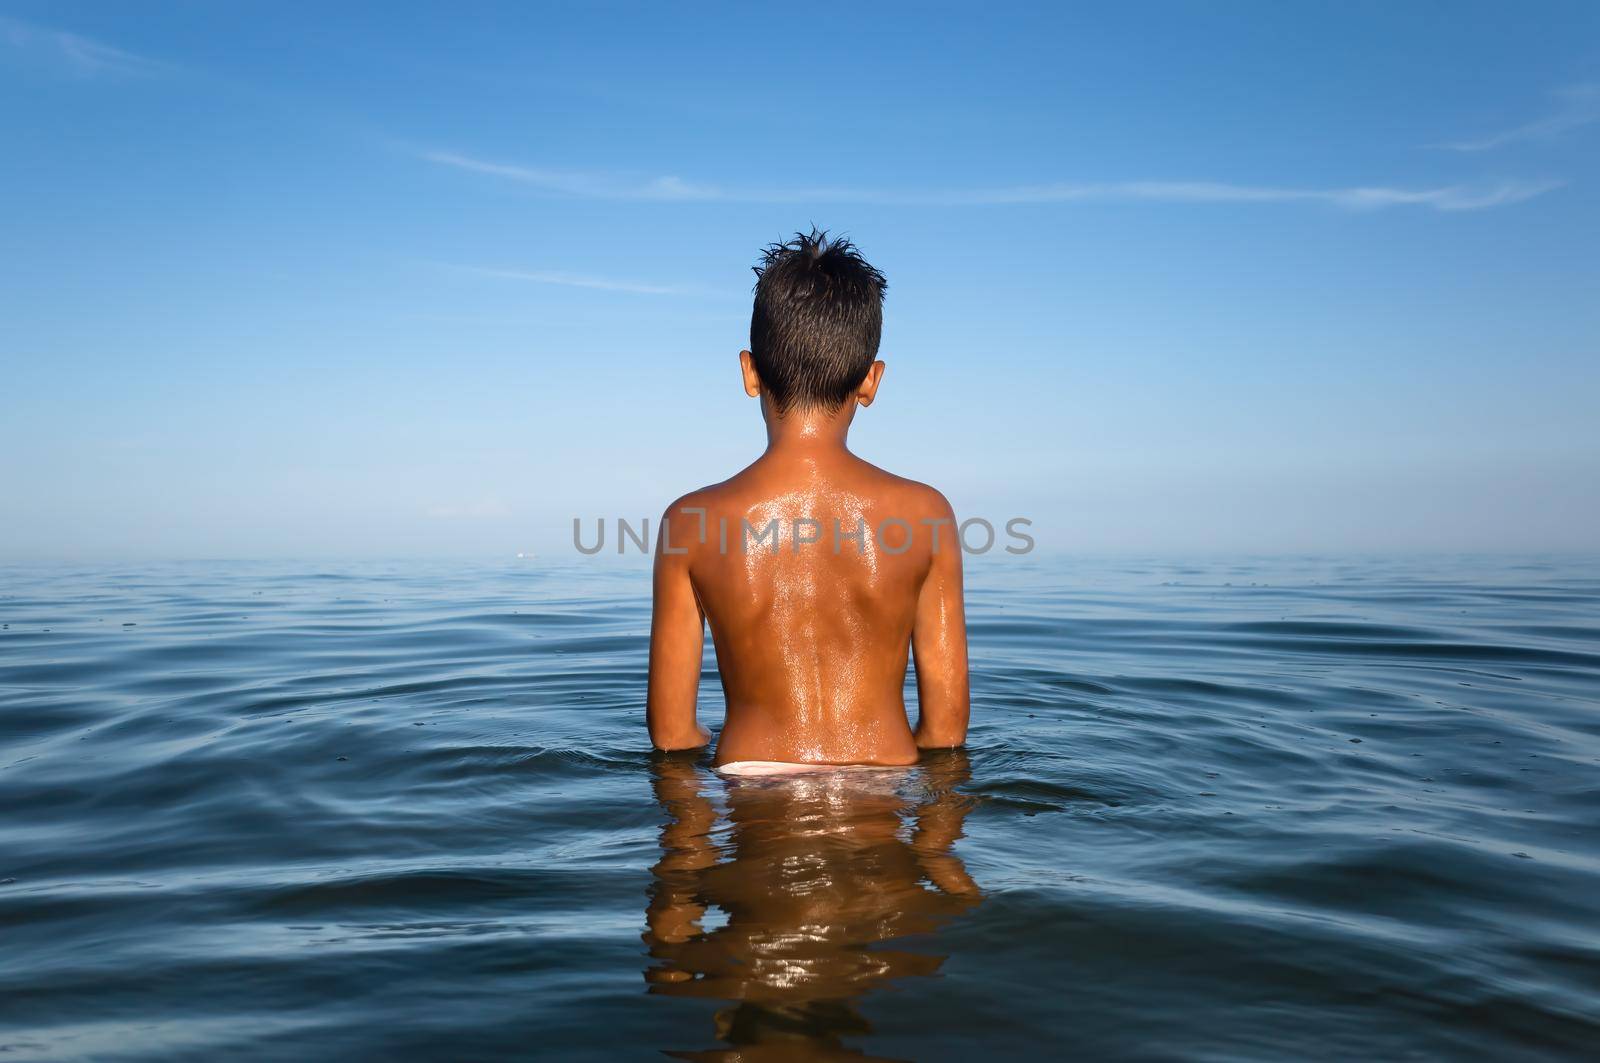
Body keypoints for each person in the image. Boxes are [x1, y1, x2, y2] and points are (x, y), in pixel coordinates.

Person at [647, 230, 969, 770]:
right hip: (884, 785)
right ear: (871, 382)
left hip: (749, 790)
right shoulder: (926, 515)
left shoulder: (689, 523)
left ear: (750, 372)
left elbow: (671, 734)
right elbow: (946, 728)